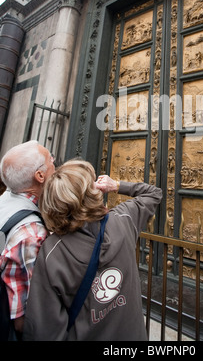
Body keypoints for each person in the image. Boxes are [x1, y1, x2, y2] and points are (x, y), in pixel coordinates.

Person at [23, 159, 162, 341]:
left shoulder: (52, 251)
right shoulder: (123, 220)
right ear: (92, 194)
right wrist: (116, 185)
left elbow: (44, 329)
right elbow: (154, 193)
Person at [0, 140, 55, 339]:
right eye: (51, 161)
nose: (54, 165)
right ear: (40, 176)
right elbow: (24, 319)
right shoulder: (31, 234)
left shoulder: (4, 203)